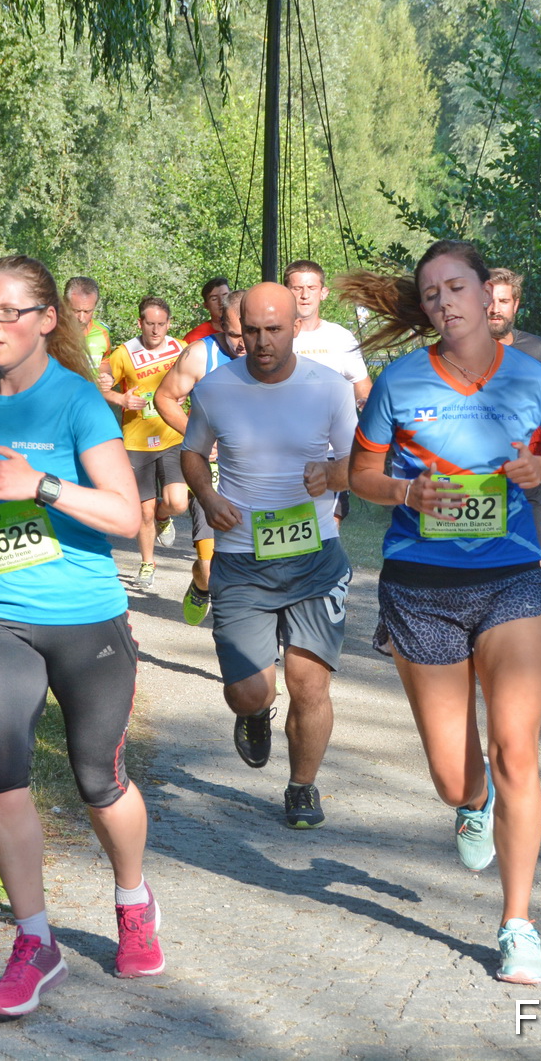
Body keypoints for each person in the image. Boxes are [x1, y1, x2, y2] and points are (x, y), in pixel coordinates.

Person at [342, 239, 541, 987]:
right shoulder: (400, 382)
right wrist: (404, 492)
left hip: (512, 579)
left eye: (456, 287)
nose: (445, 303)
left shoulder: (533, 379)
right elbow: (363, 472)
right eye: (431, 295)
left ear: (488, 293)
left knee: (517, 747)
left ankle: (518, 922)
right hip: (420, 586)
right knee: (454, 773)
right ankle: (471, 801)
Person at [0, 254, 161, 1018]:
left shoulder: (80, 404)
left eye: (4, 313)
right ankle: (36, 941)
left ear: (44, 321)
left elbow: (126, 517)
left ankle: (132, 899)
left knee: (99, 778)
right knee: (0, 770)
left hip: (88, 619)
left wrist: (44, 486)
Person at [180, 282, 356, 830]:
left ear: (296, 327)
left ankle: (302, 786)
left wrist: (330, 474)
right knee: (249, 690)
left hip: (315, 554)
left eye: (273, 330)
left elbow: (359, 464)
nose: (261, 342)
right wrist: (208, 497)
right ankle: (254, 714)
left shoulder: (330, 388)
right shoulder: (213, 388)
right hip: (240, 556)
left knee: (309, 684)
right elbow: (191, 452)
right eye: (251, 330)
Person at [155, 288, 245, 626]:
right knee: (209, 568)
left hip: (258, 475)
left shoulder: (273, 356)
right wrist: (199, 438)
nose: (242, 343)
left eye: (247, 332)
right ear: (221, 324)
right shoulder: (199, 355)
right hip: (212, 470)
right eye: (233, 333)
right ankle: (201, 584)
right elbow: (164, 398)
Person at [101, 296, 188, 588]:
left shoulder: (181, 349)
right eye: (149, 324)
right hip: (136, 442)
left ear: (168, 324)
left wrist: (188, 391)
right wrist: (121, 398)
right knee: (144, 511)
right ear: (140, 323)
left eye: (161, 324)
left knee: (178, 502)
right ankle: (147, 564)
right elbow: (101, 387)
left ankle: (166, 516)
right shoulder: (124, 353)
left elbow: (199, 380)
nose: (155, 330)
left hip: (173, 436)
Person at [285, 259, 372, 527]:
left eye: (311, 287)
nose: (304, 294)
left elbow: (363, 387)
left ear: (323, 293)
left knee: (329, 524)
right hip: (285, 447)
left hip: (333, 451)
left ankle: (325, 568)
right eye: (297, 287)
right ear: (285, 290)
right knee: (287, 522)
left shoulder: (341, 337)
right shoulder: (277, 336)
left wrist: (371, 416)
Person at [487, 267, 541, 549]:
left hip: (524, 476)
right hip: (469, 477)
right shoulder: (454, 349)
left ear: (515, 305)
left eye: (504, 301)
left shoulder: (538, 351)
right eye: (489, 301)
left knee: (534, 568)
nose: (495, 309)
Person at [65, 277, 113, 372]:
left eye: (87, 311)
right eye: (76, 311)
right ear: (65, 303)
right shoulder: (49, 332)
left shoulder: (103, 332)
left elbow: (105, 363)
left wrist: (107, 378)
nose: (81, 319)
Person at [181, 276, 229, 345]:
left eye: (225, 295)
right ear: (206, 306)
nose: (221, 301)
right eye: (214, 299)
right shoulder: (194, 338)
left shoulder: (245, 329)